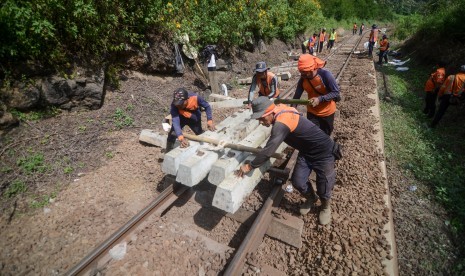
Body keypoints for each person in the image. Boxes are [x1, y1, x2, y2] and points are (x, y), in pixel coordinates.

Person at [235, 97, 338, 225]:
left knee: (324, 184)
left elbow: (268, 151)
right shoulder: (279, 109)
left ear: (271, 112)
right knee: (298, 181)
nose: (261, 122)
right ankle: (311, 198)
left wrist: (250, 166)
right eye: (259, 119)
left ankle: (325, 206)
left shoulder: (280, 124)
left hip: (323, 152)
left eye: (262, 118)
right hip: (305, 151)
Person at [292, 54, 340, 136]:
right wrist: (292, 110)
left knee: (325, 136)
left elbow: (336, 92)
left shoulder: (325, 75)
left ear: (310, 69)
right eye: (301, 72)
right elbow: (296, 96)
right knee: (312, 135)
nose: (301, 74)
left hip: (327, 112)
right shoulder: (303, 78)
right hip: (312, 112)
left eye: (304, 72)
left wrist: (319, 99)